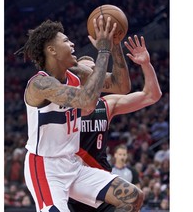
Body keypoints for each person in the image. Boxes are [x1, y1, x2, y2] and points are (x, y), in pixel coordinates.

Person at [19, 15, 144, 212]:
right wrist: (103, 51)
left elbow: (122, 86)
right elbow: (87, 100)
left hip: (72, 164)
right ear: (52, 50)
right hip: (45, 168)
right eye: (66, 41)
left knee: (132, 197)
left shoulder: (76, 74)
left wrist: (114, 46)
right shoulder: (40, 84)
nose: (73, 43)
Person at [68, 35, 162, 212]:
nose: (90, 73)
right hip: (69, 183)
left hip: (100, 182)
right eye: (85, 70)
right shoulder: (64, 103)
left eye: (94, 70)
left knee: (133, 202)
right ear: (76, 76)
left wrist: (145, 64)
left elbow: (152, 95)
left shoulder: (106, 104)